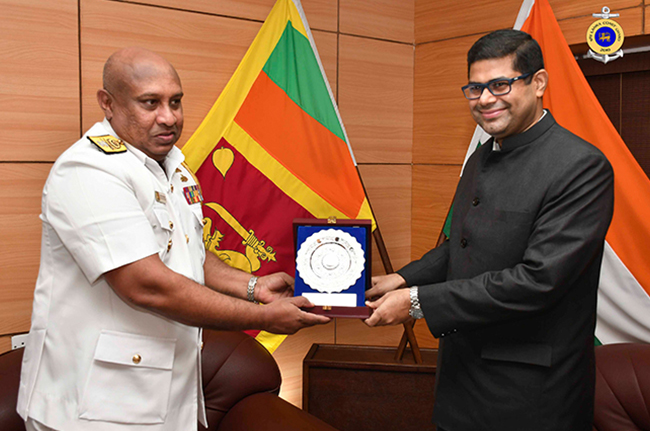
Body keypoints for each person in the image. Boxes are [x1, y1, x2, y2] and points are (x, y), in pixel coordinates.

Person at [17, 47, 330, 431]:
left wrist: (252, 286)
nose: (169, 117)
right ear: (108, 103)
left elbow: (189, 250)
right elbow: (146, 285)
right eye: (150, 103)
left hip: (164, 394)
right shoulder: (89, 170)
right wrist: (263, 316)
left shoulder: (173, 165)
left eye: (175, 101)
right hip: (94, 406)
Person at [365, 29, 614, 431]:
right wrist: (401, 278)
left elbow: (539, 281)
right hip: (460, 380)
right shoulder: (481, 156)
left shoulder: (580, 166)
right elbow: (462, 246)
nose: (484, 99)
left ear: (538, 83)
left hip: (530, 396)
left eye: (500, 84)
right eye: (475, 87)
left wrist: (415, 302)